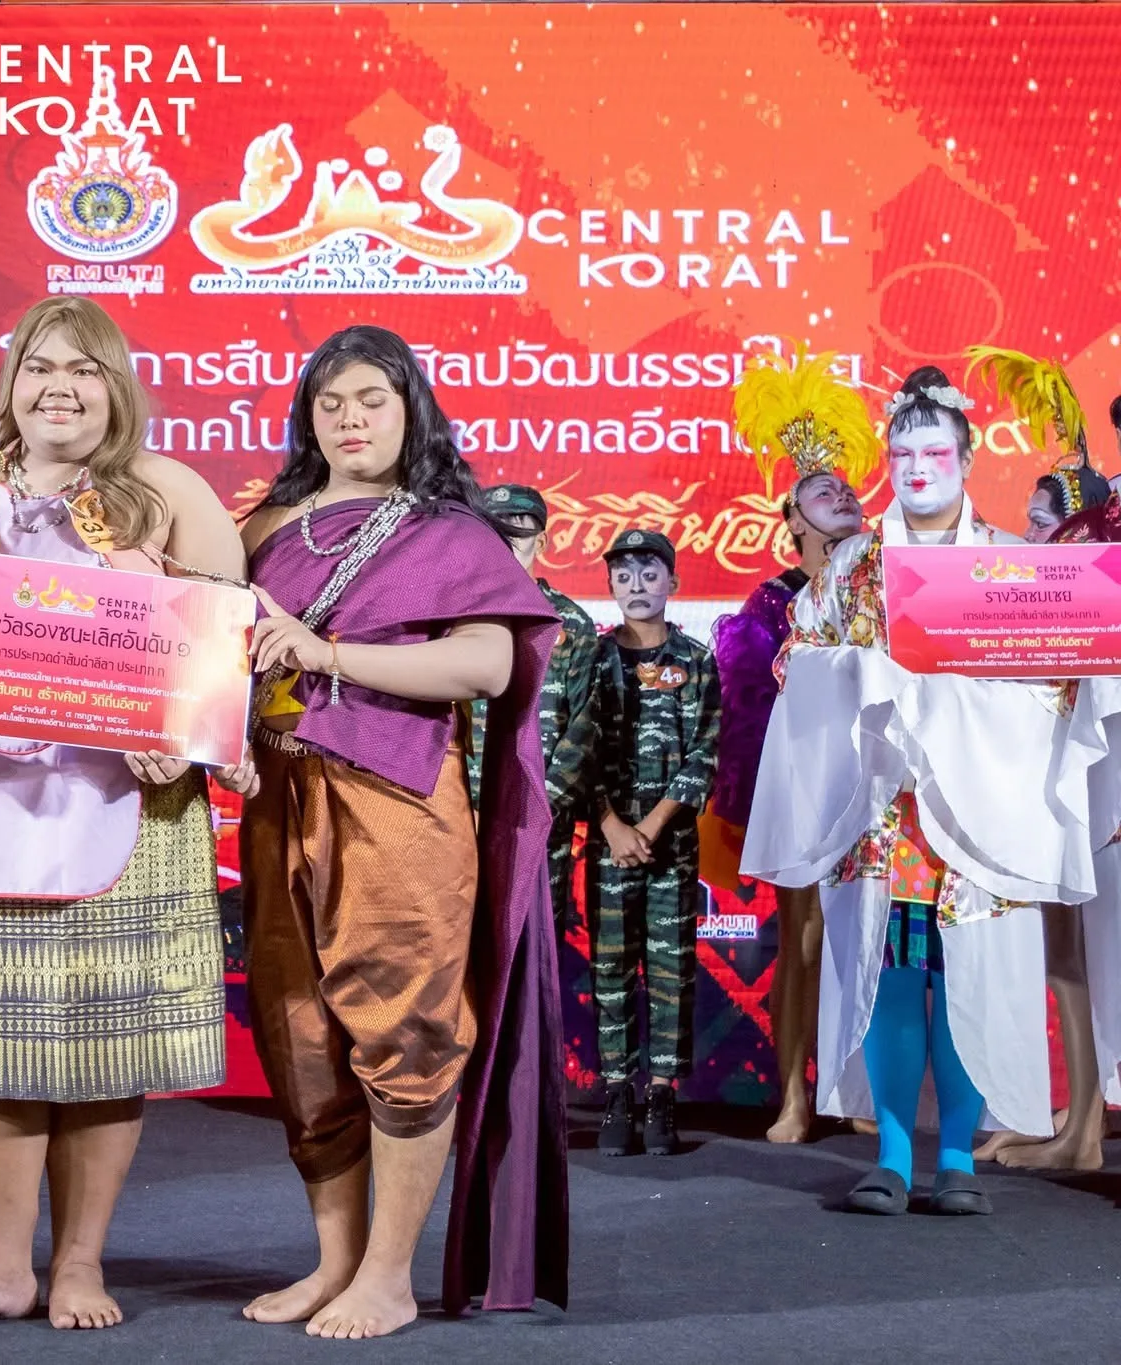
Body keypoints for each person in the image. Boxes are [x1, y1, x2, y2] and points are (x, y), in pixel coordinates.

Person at [0, 296, 248, 1334]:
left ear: (116, 386)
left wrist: (187, 729)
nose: (60, 388)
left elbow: (227, 632)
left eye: (84, 369)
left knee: (101, 1037)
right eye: (40, 366)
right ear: (12, 382)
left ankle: (79, 1261)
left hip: (122, 798)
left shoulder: (164, 489)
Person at [240, 325, 567, 1338]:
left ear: (409, 410)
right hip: (277, 799)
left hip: (397, 803)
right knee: (299, 1035)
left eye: (371, 400)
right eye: (329, 402)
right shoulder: (265, 529)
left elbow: (485, 666)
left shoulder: (449, 532)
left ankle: (389, 1275)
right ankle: (335, 1263)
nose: (349, 419)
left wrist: (327, 655)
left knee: (406, 1028)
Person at [744, 364, 1121, 1217]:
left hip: (981, 810)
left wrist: (971, 696)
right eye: (903, 453)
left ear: (967, 457)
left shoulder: (1012, 563)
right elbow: (796, 661)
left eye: (935, 452)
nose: (918, 468)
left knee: (967, 979)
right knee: (888, 971)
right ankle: (891, 1154)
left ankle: (955, 1155)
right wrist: (861, 672)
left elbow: (1058, 683)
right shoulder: (851, 566)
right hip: (883, 810)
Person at [715, 350, 873, 1143]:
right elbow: (749, 716)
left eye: (846, 487)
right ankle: (793, 1099)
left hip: (875, 786)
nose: (840, 493)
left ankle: (864, 1095)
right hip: (807, 785)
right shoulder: (772, 602)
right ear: (795, 522)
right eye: (821, 491)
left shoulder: (886, 581)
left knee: (871, 940)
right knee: (804, 939)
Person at [968, 347, 1117, 1172]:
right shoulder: (1040, 591)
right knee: (1062, 946)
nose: (1030, 534)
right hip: (1055, 782)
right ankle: (1076, 1116)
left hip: (1100, 785)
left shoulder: (1095, 574)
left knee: (1092, 947)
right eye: (1028, 520)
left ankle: (1086, 1127)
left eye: (1042, 521)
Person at [575, 529, 721, 1157]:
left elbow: (704, 754)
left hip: (671, 843)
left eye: (650, 573)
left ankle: (661, 1094)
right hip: (608, 841)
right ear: (610, 586)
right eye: (624, 575)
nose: (637, 585)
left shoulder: (697, 660)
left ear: (673, 583)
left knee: (670, 968)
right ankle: (616, 1093)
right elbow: (575, 751)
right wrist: (611, 826)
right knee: (610, 966)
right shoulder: (591, 658)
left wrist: (652, 826)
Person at [477, 484, 599, 930]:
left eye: (519, 532)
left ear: (542, 542)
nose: (507, 543)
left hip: (540, 819)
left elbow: (585, 726)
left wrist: (536, 804)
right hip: (464, 815)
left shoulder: (571, 623)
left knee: (535, 940)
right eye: (495, 532)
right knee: (462, 941)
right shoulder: (457, 617)